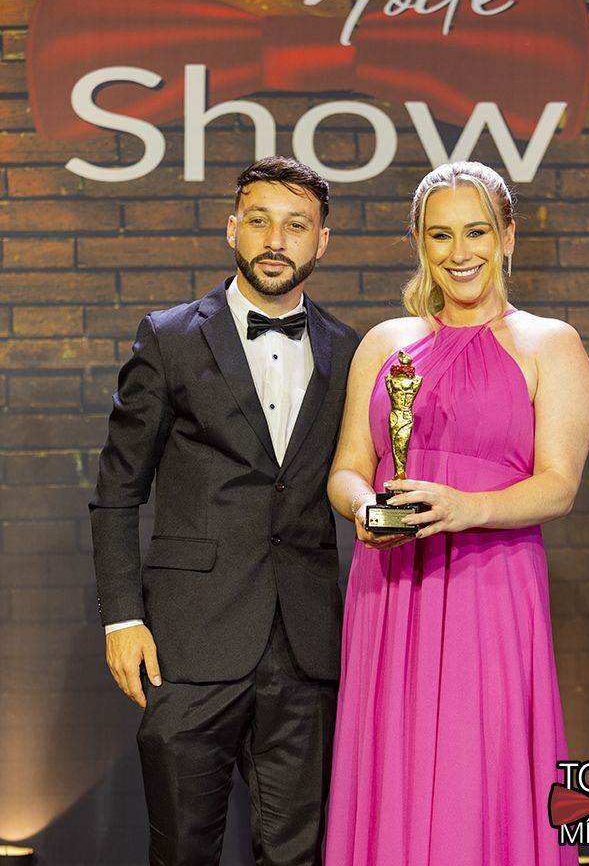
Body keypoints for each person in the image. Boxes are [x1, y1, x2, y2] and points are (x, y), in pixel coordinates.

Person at [324, 161, 589, 866]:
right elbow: (348, 468)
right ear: (420, 242)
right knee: (393, 762)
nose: (459, 252)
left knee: (477, 771)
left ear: (507, 236)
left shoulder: (550, 344)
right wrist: (366, 509)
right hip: (389, 589)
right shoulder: (384, 343)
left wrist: (463, 508)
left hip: (490, 588)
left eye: (476, 231)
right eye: (440, 235)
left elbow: (558, 486)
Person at [90, 156, 359, 866]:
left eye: (296, 225)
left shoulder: (351, 350)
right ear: (232, 228)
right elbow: (117, 489)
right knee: (181, 849)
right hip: (188, 641)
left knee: (297, 854)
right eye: (260, 220)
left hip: (305, 646)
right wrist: (122, 618)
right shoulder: (170, 337)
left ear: (322, 240)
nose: (276, 239)